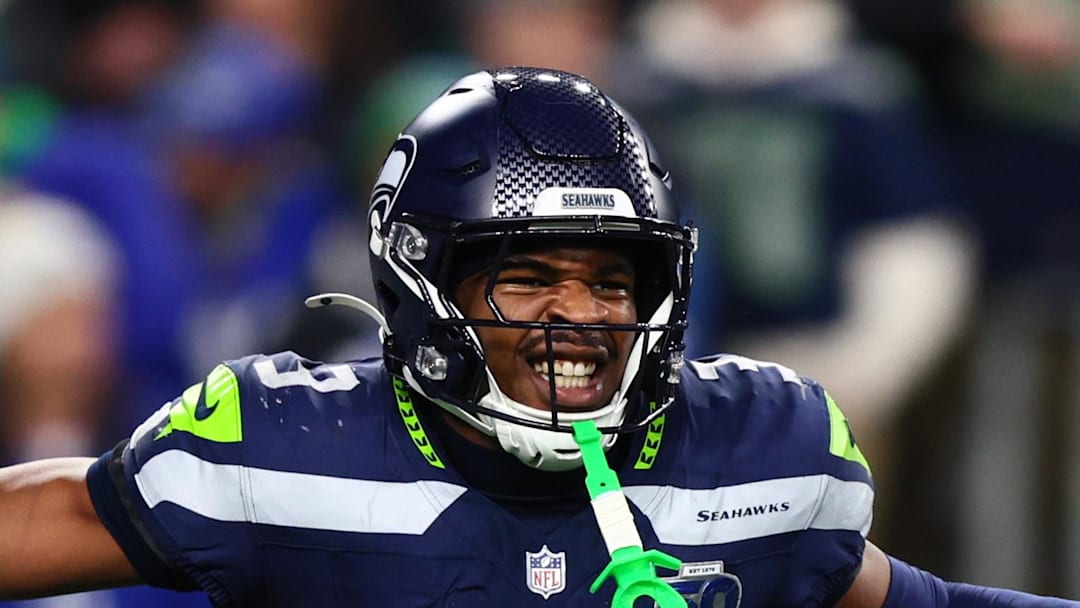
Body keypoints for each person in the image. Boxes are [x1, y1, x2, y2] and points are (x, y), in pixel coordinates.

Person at [0, 67, 1074, 607]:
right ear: (426, 281)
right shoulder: (276, 444)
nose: (582, 314)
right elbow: (45, 518)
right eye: (528, 273)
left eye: (613, 277)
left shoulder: (767, 450)